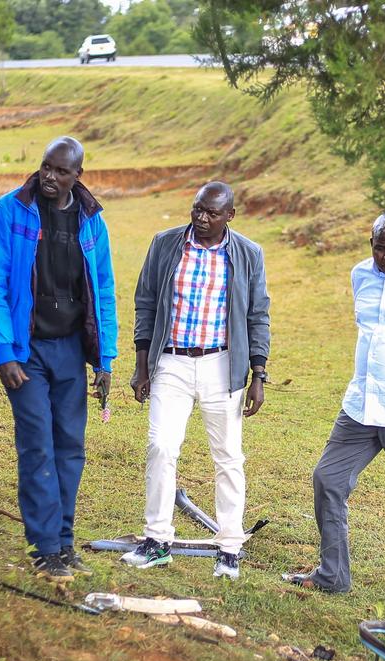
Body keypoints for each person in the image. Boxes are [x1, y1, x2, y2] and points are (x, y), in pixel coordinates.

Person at [282, 212, 385, 618]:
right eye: (381, 247)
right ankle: (333, 575)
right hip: (362, 403)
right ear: (370, 245)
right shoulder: (360, 275)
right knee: (328, 478)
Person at [0, 136, 116, 581]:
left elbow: (105, 291)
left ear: (78, 175)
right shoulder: (7, 212)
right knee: (38, 445)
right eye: (45, 167)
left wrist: (105, 360)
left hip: (71, 351)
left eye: (61, 171)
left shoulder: (92, 222)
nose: (49, 177)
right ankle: (44, 548)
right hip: (26, 352)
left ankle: (65, 540)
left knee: (70, 447)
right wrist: (3, 352)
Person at [123, 181, 271, 580]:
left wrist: (258, 373)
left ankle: (228, 547)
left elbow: (258, 315)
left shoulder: (248, 254)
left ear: (229, 216)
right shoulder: (165, 244)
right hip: (170, 361)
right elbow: (146, 301)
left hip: (222, 366)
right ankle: (156, 540)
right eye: (197, 209)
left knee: (227, 457)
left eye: (211, 212)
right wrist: (142, 364)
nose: (202, 218)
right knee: (160, 447)